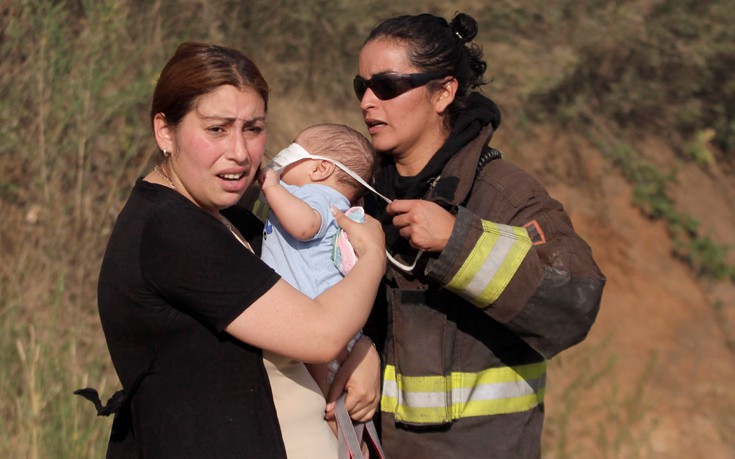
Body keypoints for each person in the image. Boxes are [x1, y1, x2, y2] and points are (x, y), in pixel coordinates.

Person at [85, 42, 385, 458]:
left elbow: (307, 300)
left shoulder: (232, 218)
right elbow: (320, 335)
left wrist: (363, 349)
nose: (240, 152)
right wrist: (372, 256)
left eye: (253, 128)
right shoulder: (169, 231)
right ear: (165, 131)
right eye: (217, 129)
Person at [354, 12, 606, 458]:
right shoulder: (359, 193)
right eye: (362, 87)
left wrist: (459, 244)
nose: (367, 102)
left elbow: (574, 307)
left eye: (388, 86)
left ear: (444, 92)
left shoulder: (506, 195)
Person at [256, 123, 377, 458]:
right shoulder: (314, 195)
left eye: (293, 151)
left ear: (321, 168)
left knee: (327, 405)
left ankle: (355, 450)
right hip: (319, 317)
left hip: (317, 316)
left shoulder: (322, 198)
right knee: (330, 407)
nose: (282, 157)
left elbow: (305, 226)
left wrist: (272, 186)